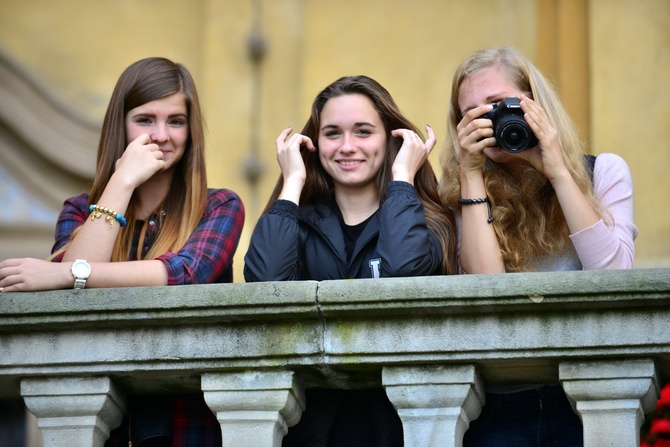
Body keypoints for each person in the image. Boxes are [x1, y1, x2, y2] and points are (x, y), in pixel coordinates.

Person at [0, 57, 245, 446]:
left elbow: (181, 274)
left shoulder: (218, 207)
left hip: (190, 424)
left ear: (191, 130)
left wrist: (67, 273)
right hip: (104, 425)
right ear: (121, 124)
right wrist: (123, 180)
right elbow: (69, 302)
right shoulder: (78, 211)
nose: (162, 135)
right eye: (145, 120)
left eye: (176, 121)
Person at [244, 75, 458, 446]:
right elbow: (265, 284)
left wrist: (403, 178)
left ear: (390, 138)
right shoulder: (296, 220)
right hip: (313, 428)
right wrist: (292, 179)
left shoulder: (425, 219)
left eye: (362, 131)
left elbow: (404, 274)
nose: (347, 147)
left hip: (401, 426)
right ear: (314, 144)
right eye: (332, 133)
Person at [439, 46, 637, 446]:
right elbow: (486, 290)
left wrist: (558, 170)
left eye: (497, 104)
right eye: (470, 113)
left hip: (587, 398)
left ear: (535, 102)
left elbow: (614, 279)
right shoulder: (458, 197)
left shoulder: (604, 173)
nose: (487, 121)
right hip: (498, 405)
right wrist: (471, 174)